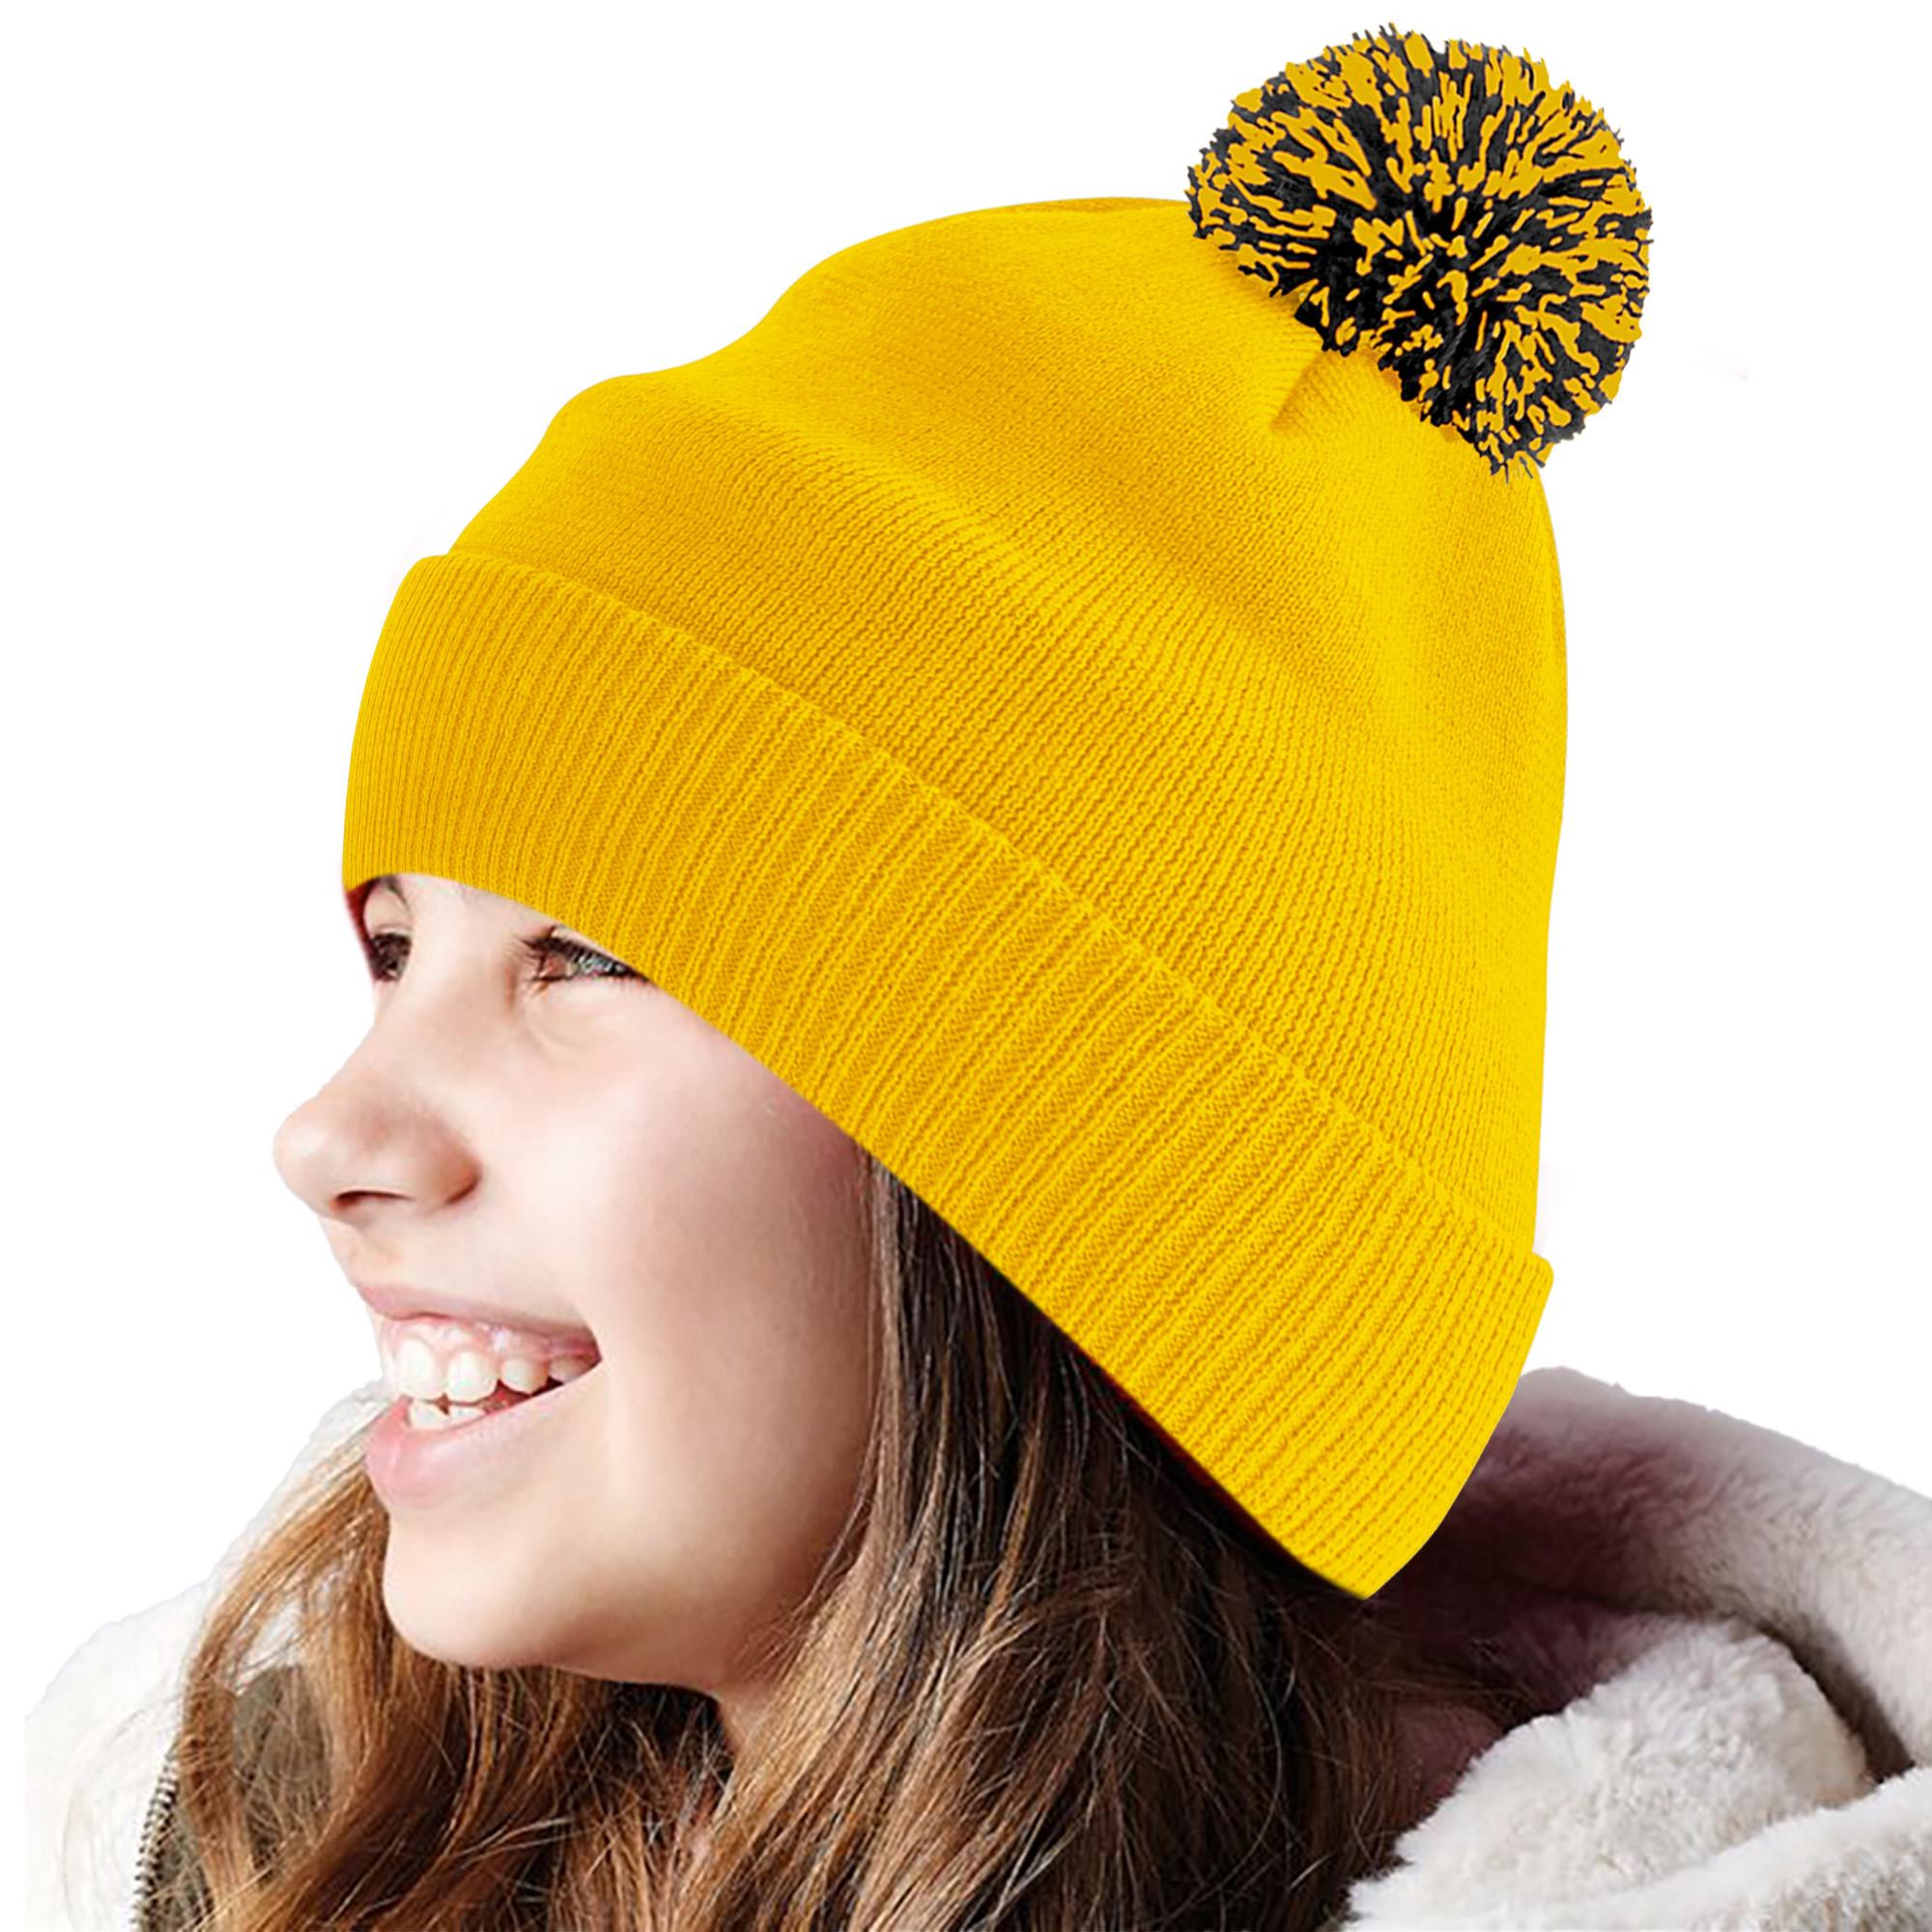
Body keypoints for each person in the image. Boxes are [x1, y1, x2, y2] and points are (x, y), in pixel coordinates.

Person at [34, 23, 1778, 1929]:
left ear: (1091, 1188)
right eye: (392, 951)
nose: (329, 1135)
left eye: (583, 954)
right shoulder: (210, 1853)